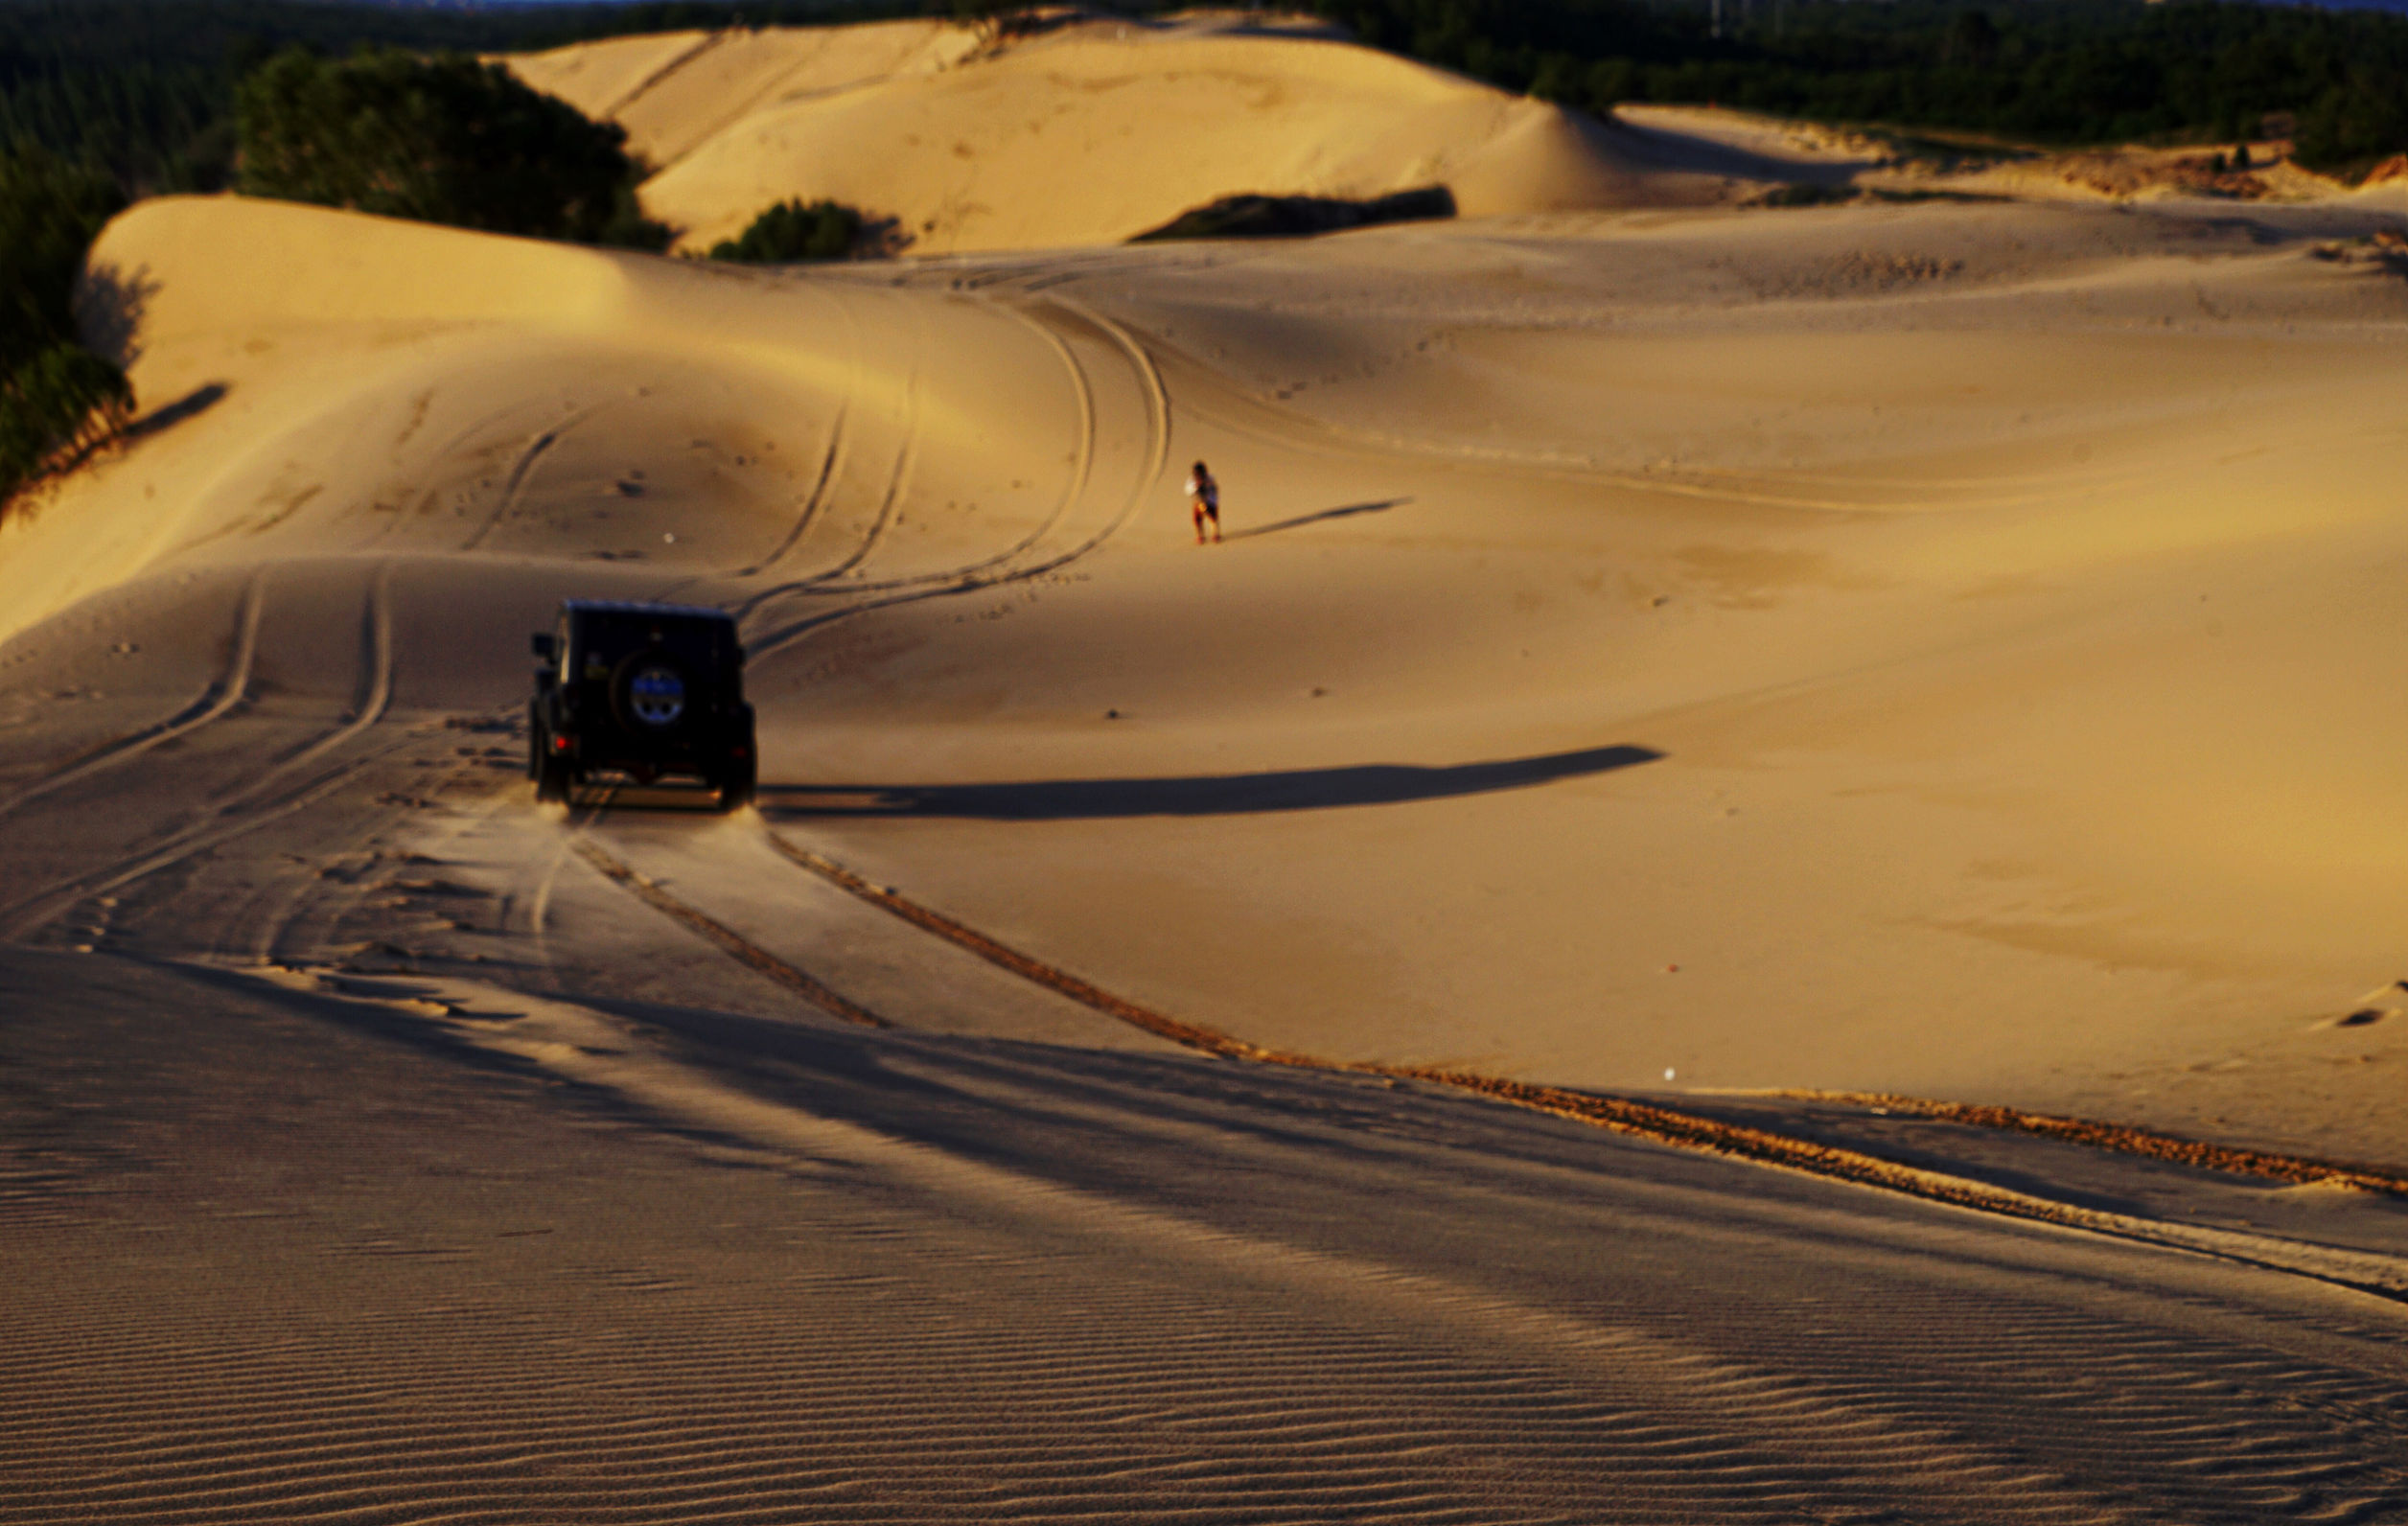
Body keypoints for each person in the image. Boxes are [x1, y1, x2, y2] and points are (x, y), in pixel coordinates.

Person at [1186, 459, 1220, 544]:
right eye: (1196, 473)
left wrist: (1207, 485)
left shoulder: (1210, 478)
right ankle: (1199, 536)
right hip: (1198, 502)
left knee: (1213, 518)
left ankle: (1215, 534)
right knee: (1197, 519)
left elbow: (1215, 489)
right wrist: (1195, 486)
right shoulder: (1191, 480)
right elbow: (1187, 490)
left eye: (1199, 473)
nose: (1198, 475)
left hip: (1210, 501)